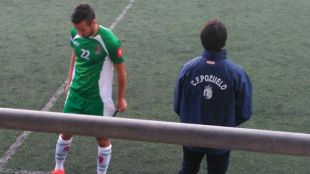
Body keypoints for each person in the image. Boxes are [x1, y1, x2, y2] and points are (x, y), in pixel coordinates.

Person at [51, 3, 127, 174]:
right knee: (65, 132)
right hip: (76, 94)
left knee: (102, 138)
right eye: (77, 29)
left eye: (82, 30)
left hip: (97, 99)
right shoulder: (75, 33)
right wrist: (69, 80)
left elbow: (121, 71)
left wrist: (121, 97)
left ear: (93, 22)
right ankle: (58, 168)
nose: (79, 33)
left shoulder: (110, 41)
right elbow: (75, 53)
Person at [173, 19, 252, 174]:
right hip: (221, 139)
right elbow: (245, 112)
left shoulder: (188, 68)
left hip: (191, 136)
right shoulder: (237, 73)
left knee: (188, 168)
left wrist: (190, 119)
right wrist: (227, 123)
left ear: (202, 40)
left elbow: (177, 105)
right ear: (224, 41)